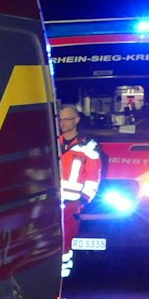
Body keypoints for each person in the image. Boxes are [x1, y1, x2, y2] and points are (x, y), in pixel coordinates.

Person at [56, 104, 101, 279]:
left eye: (67, 119)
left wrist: (83, 200)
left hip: (72, 203)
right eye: (60, 119)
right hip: (53, 201)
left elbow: (93, 177)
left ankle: (64, 277)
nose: (62, 123)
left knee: (66, 241)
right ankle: (56, 278)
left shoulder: (88, 146)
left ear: (76, 120)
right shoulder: (54, 142)